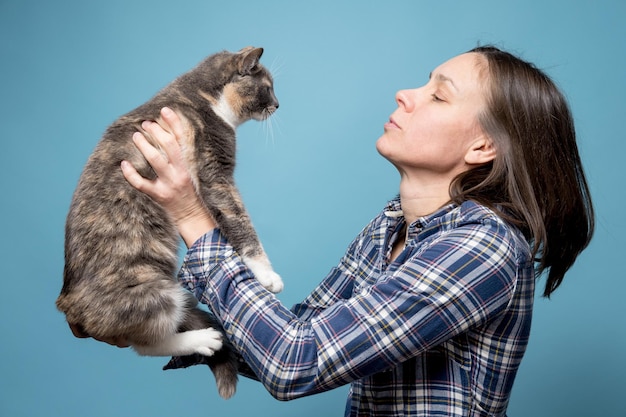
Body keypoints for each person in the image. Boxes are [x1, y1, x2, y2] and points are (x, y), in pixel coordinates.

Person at [112, 46, 593, 416]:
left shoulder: (482, 247)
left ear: (483, 146)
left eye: (438, 94)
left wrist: (192, 216)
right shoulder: (389, 226)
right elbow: (301, 332)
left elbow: (293, 361)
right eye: (423, 83)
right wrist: (154, 321)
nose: (405, 94)